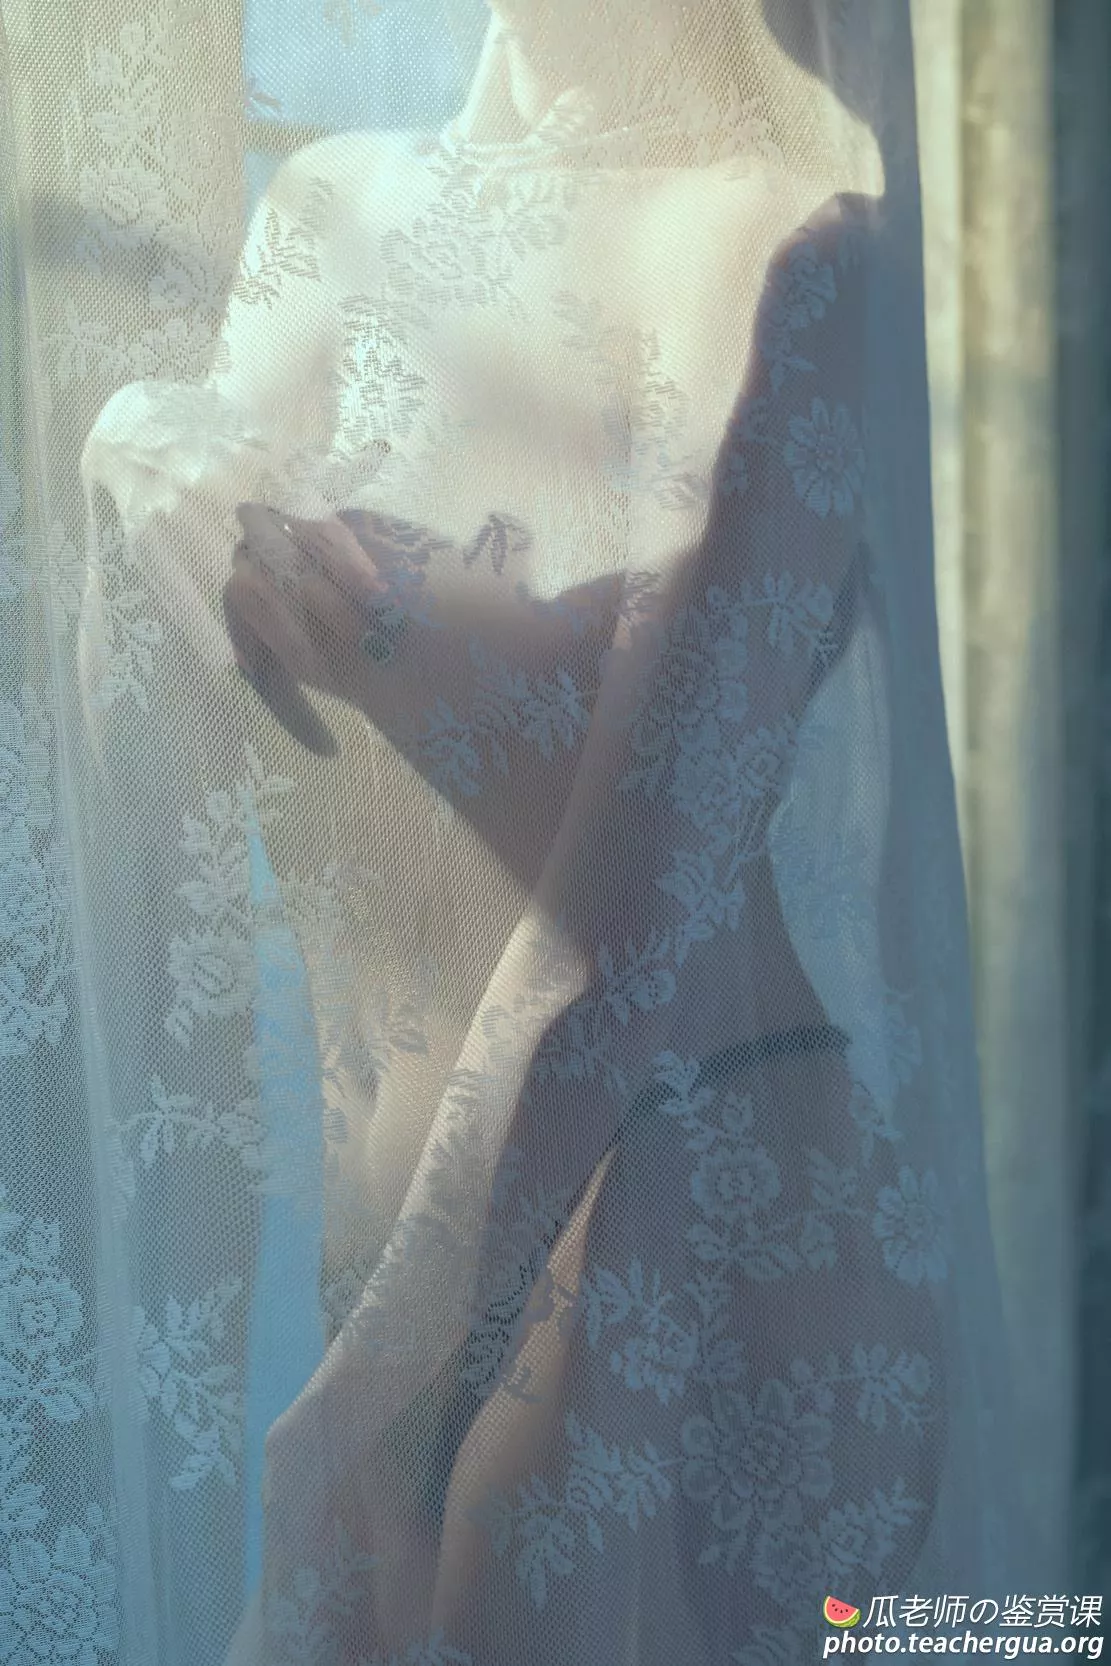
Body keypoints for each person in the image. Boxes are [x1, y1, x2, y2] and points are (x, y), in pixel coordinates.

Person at [79, 3, 1027, 1661]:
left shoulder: (810, 250)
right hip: (404, 1269)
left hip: (676, 1212)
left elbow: (637, 900)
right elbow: (146, 786)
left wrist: (363, 1400)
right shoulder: (327, 209)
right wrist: (128, 435)